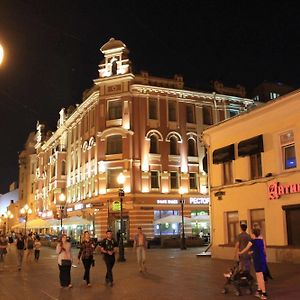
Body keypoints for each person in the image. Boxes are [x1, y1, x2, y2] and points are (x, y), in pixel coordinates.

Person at [239, 227, 268, 299]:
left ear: (253, 234)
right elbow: (260, 249)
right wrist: (252, 252)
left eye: (251, 233)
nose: (251, 234)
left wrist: (240, 253)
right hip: (262, 259)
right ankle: (259, 290)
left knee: (260, 276)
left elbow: (246, 248)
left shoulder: (252, 241)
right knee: (259, 275)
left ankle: (264, 293)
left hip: (257, 260)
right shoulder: (261, 240)